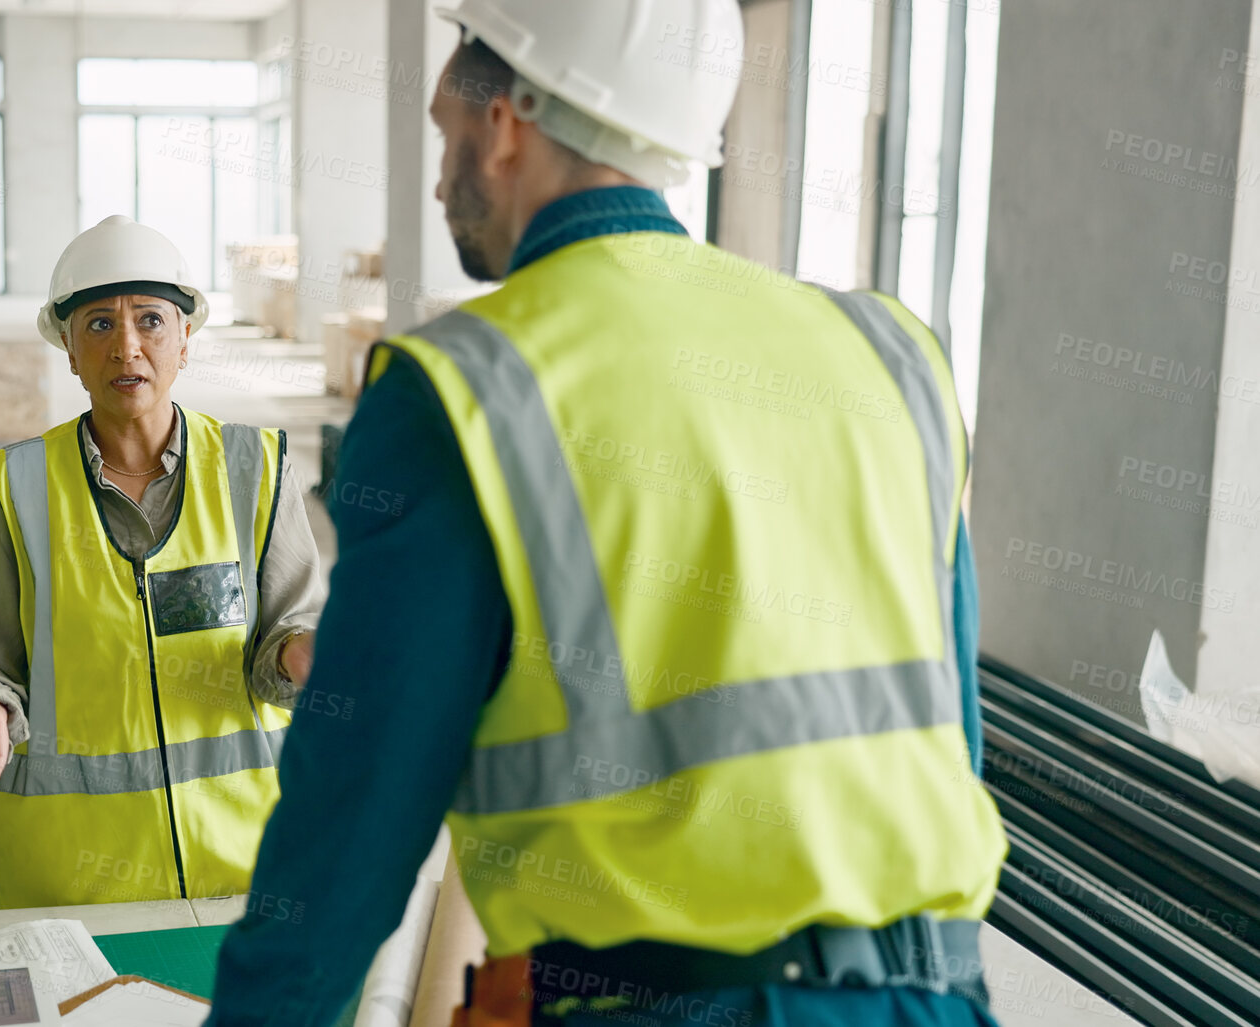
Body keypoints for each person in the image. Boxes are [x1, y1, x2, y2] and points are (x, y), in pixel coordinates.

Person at [206, 2, 1007, 1025]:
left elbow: (350, 827)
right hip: (940, 994)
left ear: (505, 125)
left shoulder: (468, 388)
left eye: (449, 133)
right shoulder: (890, 354)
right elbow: (953, 735)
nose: (442, 176)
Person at [0, 215, 325, 909]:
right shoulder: (18, 489)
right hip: (73, 881)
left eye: (151, 321)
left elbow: (289, 635)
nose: (127, 346)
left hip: (248, 867)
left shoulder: (255, 469)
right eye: (99, 325)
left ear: (185, 339)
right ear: (69, 350)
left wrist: (304, 655)